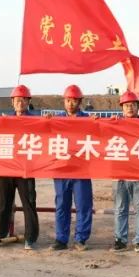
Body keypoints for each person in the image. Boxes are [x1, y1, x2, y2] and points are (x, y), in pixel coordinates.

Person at [0, 85, 40, 251]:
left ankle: (30, 237)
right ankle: (0, 234)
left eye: (24, 100)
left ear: (28, 102)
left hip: (26, 169)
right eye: (17, 100)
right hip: (7, 168)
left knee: (28, 203)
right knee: (4, 203)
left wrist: (48, 121)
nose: (20, 102)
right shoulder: (5, 120)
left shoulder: (36, 121)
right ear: (12, 102)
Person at [50, 84, 93, 252]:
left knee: (83, 205)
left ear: (80, 102)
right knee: (62, 205)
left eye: (74, 100)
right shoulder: (56, 120)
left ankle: (81, 239)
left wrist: (99, 123)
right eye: (68, 100)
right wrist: (45, 121)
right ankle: (61, 239)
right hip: (62, 170)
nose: (70, 104)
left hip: (81, 170)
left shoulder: (88, 120)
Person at [113, 91, 139, 253]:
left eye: (133, 105)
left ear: (137, 107)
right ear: (122, 107)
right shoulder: (115, 124)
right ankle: (120, 239)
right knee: (120, 209)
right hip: (119, 174)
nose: (130, 108)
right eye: (127, 105)